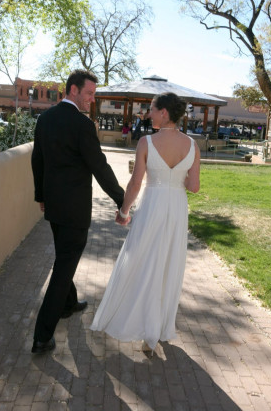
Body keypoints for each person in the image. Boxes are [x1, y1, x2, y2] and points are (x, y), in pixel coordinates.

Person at [90, 92, 200, 353]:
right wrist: (177, 178)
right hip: (176, 208)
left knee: (142, 260)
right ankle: (159, 328)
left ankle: (143, 325)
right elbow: (194, 187)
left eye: (151, 108)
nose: (148, 113)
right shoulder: (192, 145)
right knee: (169, 264)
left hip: (152, 205)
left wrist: (124, 211)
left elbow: (135, 183)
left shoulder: (147, 142)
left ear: (164, 112)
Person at [31, 69, 124, 354]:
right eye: (89, 93)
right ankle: (42, 336)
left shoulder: (44, 119)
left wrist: (41, 196)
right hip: (74, 212)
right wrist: (123, 199)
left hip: (54, 207)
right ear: (73, 90)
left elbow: (38, 160)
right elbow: (100, 167)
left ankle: (67, 305)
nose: (92, 100)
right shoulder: (82, 126)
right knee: (63, 269)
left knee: (64, 257)